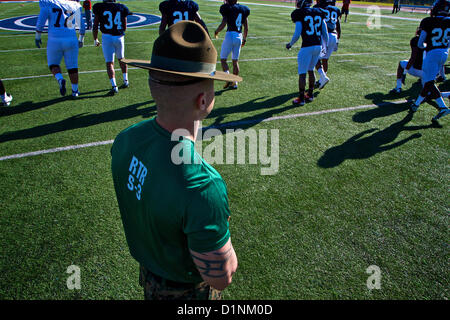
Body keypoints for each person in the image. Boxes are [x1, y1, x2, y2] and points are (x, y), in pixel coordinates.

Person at [111, 21, 240, 300]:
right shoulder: (202, 186)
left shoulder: (126, 139)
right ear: (203, 100)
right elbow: (221, 276)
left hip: (150, 277)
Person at [410, 0, 450, 123]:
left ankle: (443, 107)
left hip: (432, 53)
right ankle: (416, 104)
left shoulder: (428, 21)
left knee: (428, 82)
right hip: (444, 53)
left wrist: (426, 46)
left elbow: (421, 43)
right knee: (428, 82)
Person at [35, 0, 85, 97]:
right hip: (71, 39)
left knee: (53, 64)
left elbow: (41, 21)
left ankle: (60, 79)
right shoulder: (75, 5)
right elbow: (82, 26)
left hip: (54, 39)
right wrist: (81, 39)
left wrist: (38, 36)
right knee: (72, 67)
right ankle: (75, 91)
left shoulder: (49, 2)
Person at [286, 0, 328, 106]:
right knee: (311, 70)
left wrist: (290, 44)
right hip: (317, 46)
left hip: (307, 47)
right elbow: (325, 32)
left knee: (302, 73)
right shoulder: (319, 11)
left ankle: (301, 98)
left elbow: (297, 33)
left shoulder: (299, 13)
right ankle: (310, 94)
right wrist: (324, 46)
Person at [93, 0, 132, 95]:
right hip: (119, 37)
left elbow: (95, 25)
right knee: (122, 59)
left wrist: (95, 39)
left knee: (109, 63)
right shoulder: (121, 7)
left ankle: (114, 86)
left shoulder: (99, 7)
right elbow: (125, 27)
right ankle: (125, 80)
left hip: (107, 37)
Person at [214, 0, 250, 90]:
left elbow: (224, 23)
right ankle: (235, 82)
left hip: (230, 35)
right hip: (239, 36)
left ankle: (228, 78)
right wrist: (244, 39)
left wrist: (217, 31)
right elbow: (246, 26)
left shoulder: (227, 8)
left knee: (223, 59)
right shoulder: (243, 9)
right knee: (235, 61)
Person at [314, 0, 341, 89]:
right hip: (334, 35)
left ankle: (323, 77)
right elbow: (338, 25)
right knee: (325, 59)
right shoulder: (336, 9)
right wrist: (338, 40)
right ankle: (322, 81)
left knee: (315, 58)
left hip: (324, 35)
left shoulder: (318, 8)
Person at [390, 27, 425, 94]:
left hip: (418, 70)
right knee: (429, 91)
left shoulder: (415, 40)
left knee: (401, 64)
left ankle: (398, 88)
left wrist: (405, 72)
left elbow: (413, 58)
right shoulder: (431, 41)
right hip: (430, 72)